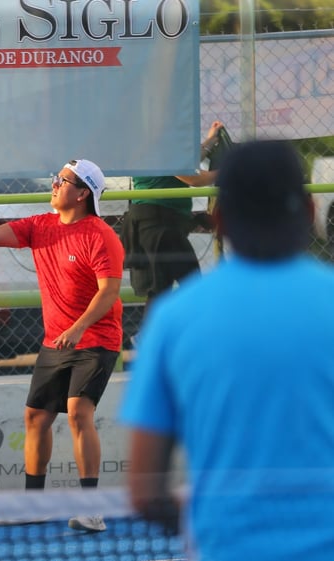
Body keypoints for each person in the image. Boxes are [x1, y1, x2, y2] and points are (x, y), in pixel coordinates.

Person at [119, 140, 334, 560]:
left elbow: (145, 493)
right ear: (309, 211)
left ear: (218, 219)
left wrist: (218, 519)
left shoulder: (173, 318)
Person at [0, 159, 124, 532]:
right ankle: (34, 504)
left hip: (96, 337)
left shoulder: (101, 236)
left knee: (79, 412)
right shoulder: (40, 225)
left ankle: (91, 509)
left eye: (62, 181)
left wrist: (80, 328)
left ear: (82, 193)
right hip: (56, 340)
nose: (54, 184)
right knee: (35, 418)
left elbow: (109, 292)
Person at [121, 121, 226, 310]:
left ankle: (152, 336)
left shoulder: (160, 145)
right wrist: (224, 172)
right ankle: (153, 336)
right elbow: (193, 178)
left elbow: (188, 164)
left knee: (164, 288)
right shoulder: (159, 146)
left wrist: (210, 140)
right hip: (156, 222)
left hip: (160, 222)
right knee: (185, 284)